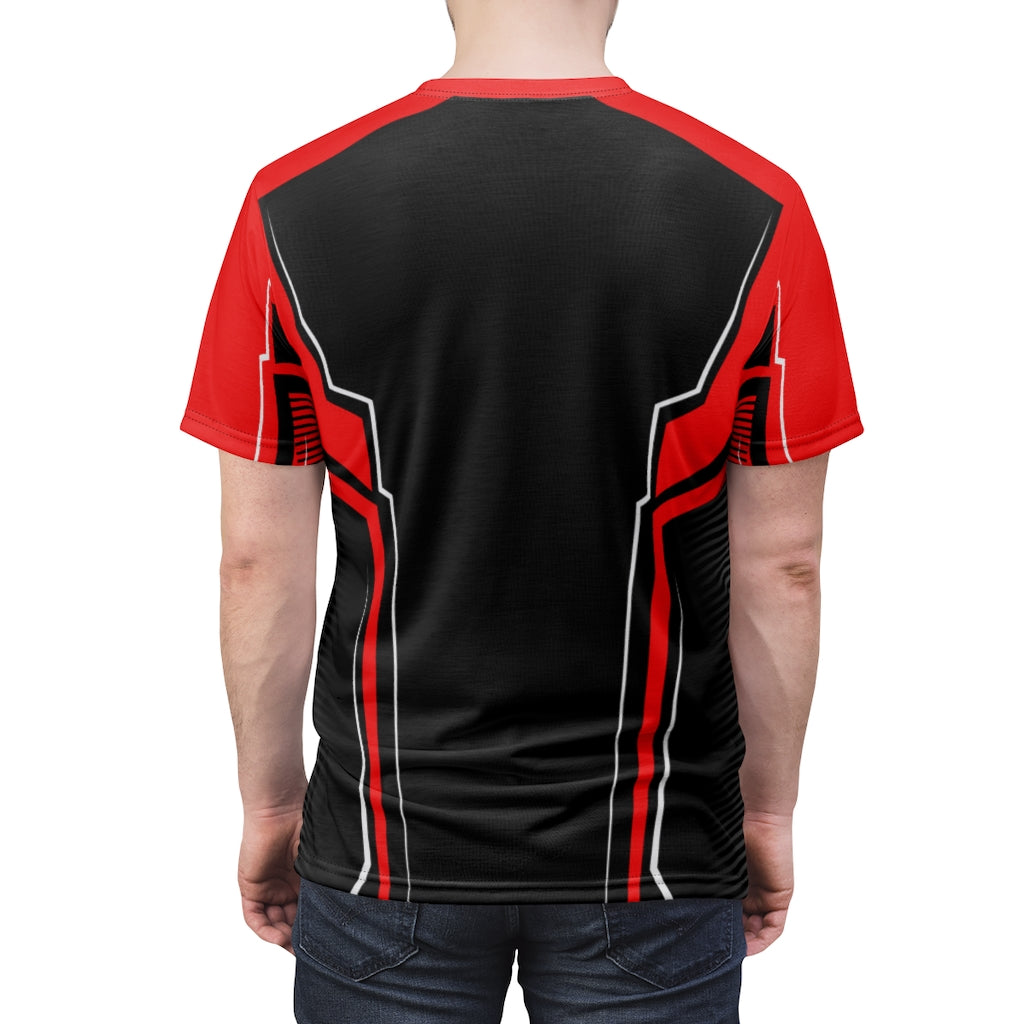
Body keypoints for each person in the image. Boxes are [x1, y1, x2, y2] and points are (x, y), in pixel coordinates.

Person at [181, 1, 862, 1020]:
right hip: (655, 852)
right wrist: (764, 813)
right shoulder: (755, 205)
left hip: (382, 847)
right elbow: (784, 566)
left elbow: (257, 562)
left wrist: (272, 803)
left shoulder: (293, 203)